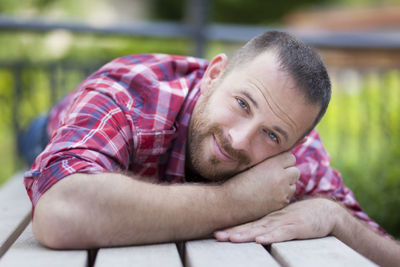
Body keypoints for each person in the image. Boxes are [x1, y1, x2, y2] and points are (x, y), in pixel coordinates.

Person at [22, 31, 399, 266]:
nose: (238, 140)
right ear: (214, 75)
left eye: (271, 135)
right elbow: (61, 211)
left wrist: (331, 215)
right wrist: (235, 201)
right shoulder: (135, 90)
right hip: (48, 131)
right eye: (242, 104)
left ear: (296, 144)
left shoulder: (296, 153)